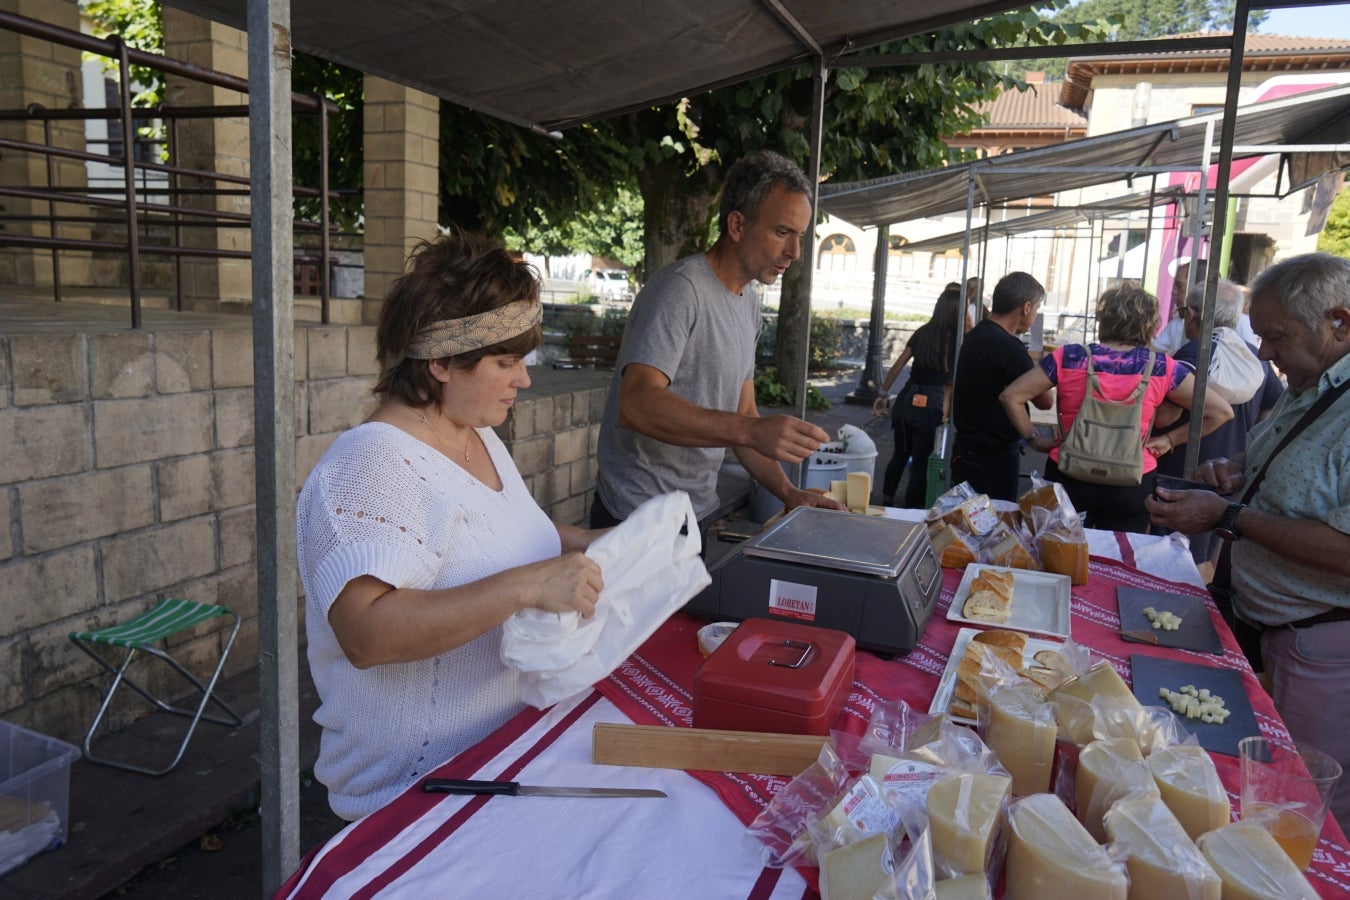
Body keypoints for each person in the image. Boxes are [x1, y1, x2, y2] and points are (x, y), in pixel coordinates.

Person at [296, 231, 608, 820]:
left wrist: (591, 542)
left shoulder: (475, 434)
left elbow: (500, 531)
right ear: (440, 362)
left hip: (499, 757)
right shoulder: (371, 467)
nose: (524, 379)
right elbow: (365, 633)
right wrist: (528, 586)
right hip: (413, 797)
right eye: (505, 362)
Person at [1145, 252, 1350, 833]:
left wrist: (1230, 515)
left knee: (1300, 808)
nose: (1263, 353)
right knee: (1251, 786)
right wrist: (1239, 472)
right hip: (1273, 633)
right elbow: (1297, 472)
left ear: (1341, 322)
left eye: (1276, 337)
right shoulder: (1310, 383)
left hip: (1322, 647)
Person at [592, 151, 844, 529]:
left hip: (695, 514)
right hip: (636, 516)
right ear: (738, 225)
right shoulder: (680, 290)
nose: (794, 252)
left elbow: (744, 417)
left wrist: (788, 492)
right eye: (782, 232)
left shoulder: (749, 306)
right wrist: (749, 429)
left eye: (800, 236)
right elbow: (637, 404)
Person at [1000, 283, 1233, 533]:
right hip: (1132, 482)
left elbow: (1011, 395)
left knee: (1059, 555)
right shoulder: (1161, 367)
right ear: (1149, 325)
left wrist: (1033, 438)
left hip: (1069, 476)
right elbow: (1220, 412)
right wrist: (1169, 440)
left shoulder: (1070, 357)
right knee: (1118, 560)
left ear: (1104, 320)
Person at [1152, 277, 1284, 562]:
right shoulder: (1254, 356)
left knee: (1171, 557)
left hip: (1183, 473)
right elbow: (1272, 408)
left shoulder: (1192, 353)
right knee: (1205, 557)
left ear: (1191, 314)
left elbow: (1164, 416)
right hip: (1229, 476)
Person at [951, 272, 1055, 501]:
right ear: (1026, 307)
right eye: (1037, 308)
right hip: (993, 458)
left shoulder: (976, 335)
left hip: (967, 450)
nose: (1035, 314)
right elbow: (1045, 400)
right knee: (996, 525)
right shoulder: (1009, 347)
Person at [871, 284, 965, 508]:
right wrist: (945, 412)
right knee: (921, 463)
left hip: (907, 399)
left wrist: (883, 393)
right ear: (957, 311)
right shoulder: (957, 340)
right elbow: (950, 386)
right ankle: (912, 510)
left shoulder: (922, 331)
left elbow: (897, 365)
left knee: (900, 455)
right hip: (932, 403)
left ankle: (886, 501)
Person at [1153, 258, 1208, 355]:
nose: (1173, 292)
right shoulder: (1177, 322)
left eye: (1179, 286)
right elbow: (1152, 350)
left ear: (1198, 286)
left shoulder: (1230, 325)